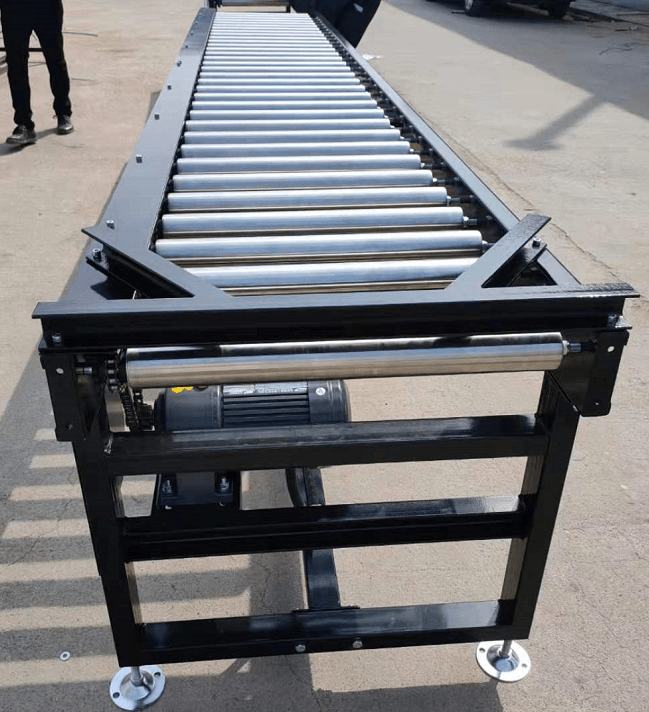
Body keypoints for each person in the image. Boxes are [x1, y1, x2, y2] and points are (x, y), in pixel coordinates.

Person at [0, 0, 73, 146]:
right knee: (16, 64)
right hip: (13, 7)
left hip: (46, 6)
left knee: (55, 58)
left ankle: (63, 112)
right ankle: (24, 124)